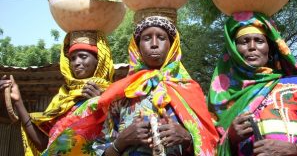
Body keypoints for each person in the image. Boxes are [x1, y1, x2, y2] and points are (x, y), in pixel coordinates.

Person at [42, 14, 219, 155]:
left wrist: (187, 137)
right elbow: (96, 150)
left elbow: (212, 143)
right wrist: (122, 141)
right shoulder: (120, 94)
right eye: (147, 38)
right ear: (137, 46)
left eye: (162, 38)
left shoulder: (189, 89)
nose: (154, 44)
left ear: (172, 46)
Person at [208, 11, 297, 156]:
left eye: (259, 40)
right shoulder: (222, 97)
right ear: (233, 50)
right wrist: (231, 138)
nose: (252, 46)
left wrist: (294, 150)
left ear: (269, 49)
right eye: (244, 41)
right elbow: (206, 147)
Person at [0, 31, 114, 155]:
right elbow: (45, 145)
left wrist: (101, 105)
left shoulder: (114, 95)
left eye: (83, 56)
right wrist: (18, 101)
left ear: (99, 60)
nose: (76, 63)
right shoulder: (62, 100)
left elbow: (120, 138)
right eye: (72, 58)